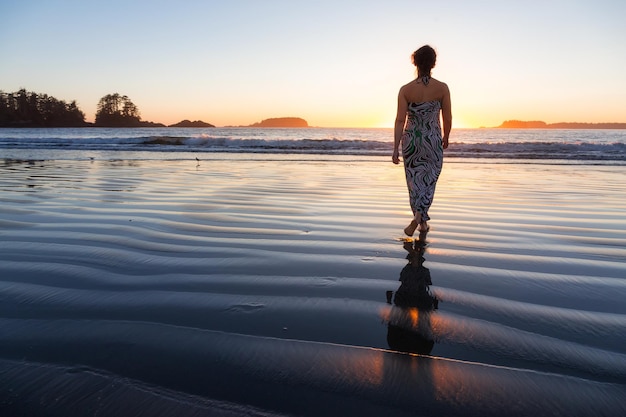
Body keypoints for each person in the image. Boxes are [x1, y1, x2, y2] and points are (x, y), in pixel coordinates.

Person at [392, 45, 451, 236]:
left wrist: (395, 148)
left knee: (414, 182)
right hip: (432, 140)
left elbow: (400, 120)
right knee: (429, 181)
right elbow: (448, 118)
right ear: (433, 63)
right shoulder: (442, 88)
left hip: (412, 141)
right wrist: (446, 137)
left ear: (414, 62)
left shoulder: (405, 90)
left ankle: (421, 222)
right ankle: (419, 219)